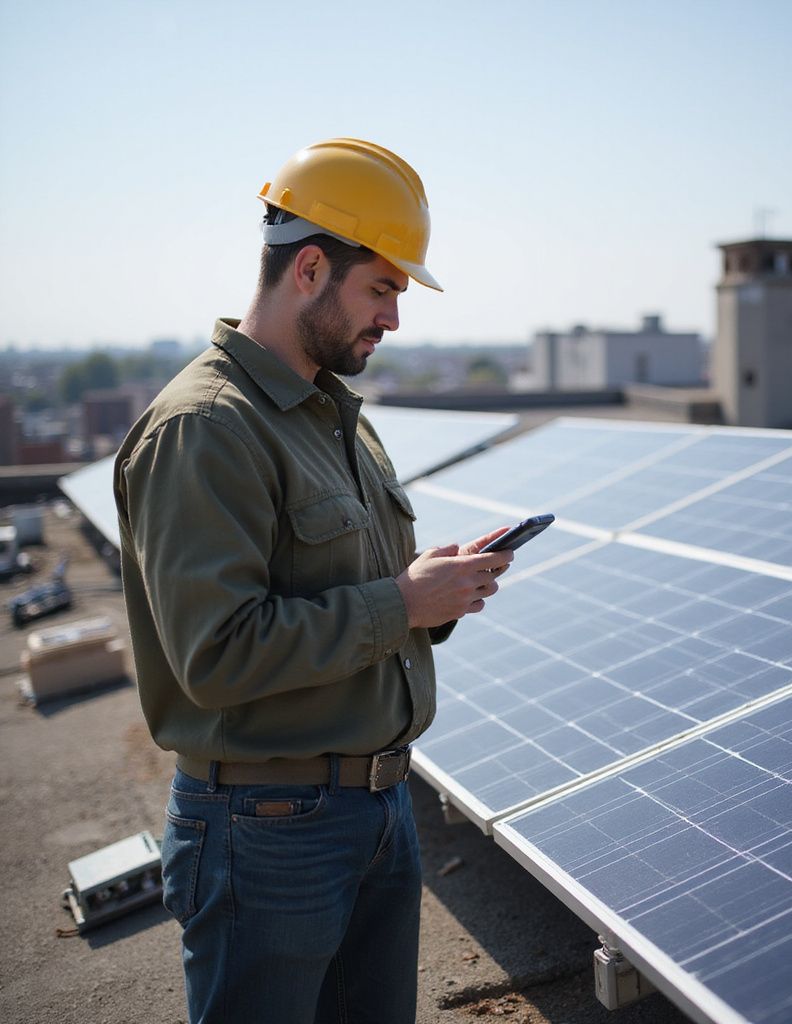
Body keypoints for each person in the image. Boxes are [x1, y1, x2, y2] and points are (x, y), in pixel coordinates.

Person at [114, 138, 513, 1024]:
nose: (394, 321)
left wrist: (425, 593)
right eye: (382, 290)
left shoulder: (333, 415)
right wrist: (399, 603)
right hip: (267, 831)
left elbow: (347, 595)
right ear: (308, 268)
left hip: (374, 814)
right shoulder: (206, 429)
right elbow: (215, 657)